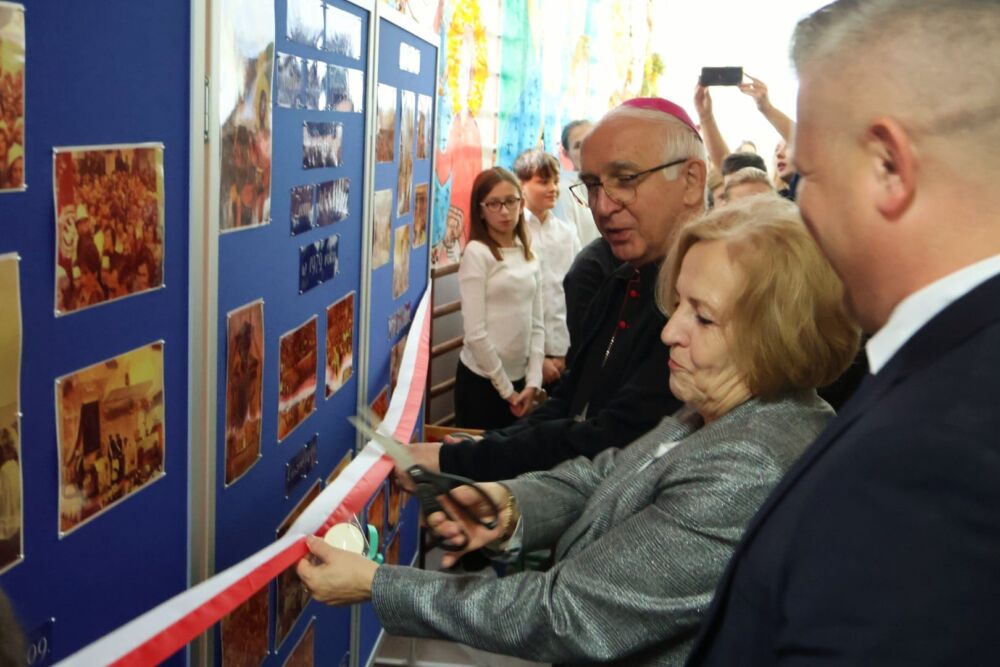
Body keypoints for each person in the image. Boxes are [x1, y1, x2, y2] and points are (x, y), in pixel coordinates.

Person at [296, 196, 859, 665]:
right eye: (679, 305)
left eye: (703, 317)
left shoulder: (749, 464)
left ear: (778, 335)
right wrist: (509, 506)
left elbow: (566, 615)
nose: (670, 332)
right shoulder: (725, 409)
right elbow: (606, 475)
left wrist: (378, 585)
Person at [685, 1, 1000, 664]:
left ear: (889, 167)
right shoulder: (951, 368)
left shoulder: (932, 455)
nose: (798, 209)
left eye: (805, 177)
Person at [410, 98, 705, 481]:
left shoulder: (703, 306)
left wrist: (466, 458)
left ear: (691, 180)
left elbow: (611, 438)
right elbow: (572, 400)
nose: (602, 207)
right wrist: (487, 445)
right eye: (592, 185)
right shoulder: (618, 281)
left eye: (625, 180)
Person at [453, 167, 543, 430]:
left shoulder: (528, 253)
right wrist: (507, 391)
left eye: (511, 201)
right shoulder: (477, 253)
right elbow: (475, 334)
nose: (504, 211)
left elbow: (537, 325)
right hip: (483, 381)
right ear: (481, 210)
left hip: (520, 381)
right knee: (478, 454)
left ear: (521, 204)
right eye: (494, 204)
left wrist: (533, 382)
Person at [513, 148, 581, 385]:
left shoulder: (567, 233)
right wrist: (536, 360)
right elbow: (513, 304)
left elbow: (573, 295)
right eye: (543, 182)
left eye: (556, 181)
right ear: (521, 185)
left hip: (564, 350)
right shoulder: (512, 235)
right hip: (520, 355)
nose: (553, 188)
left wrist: (563, 354)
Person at [552, 119, 600, 245]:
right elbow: (567, 243)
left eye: (591, 142)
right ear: (566, 153)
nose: (587, 149)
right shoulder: (563, 189)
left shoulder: (611, 182)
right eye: (578, 146)